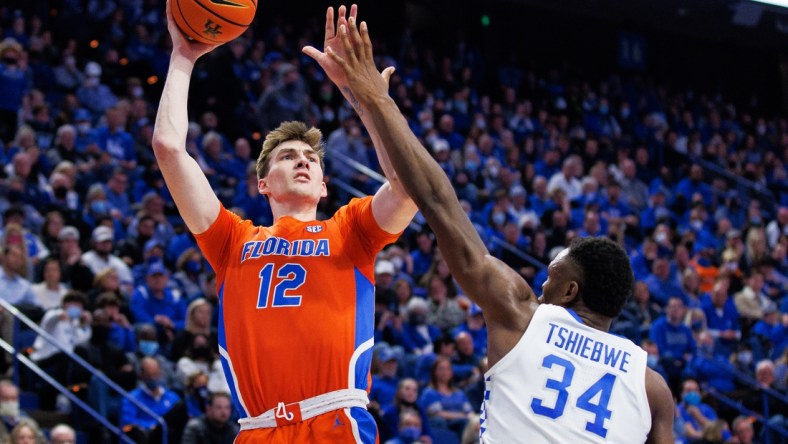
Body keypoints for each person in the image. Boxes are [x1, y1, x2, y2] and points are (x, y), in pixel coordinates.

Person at [309, 15, 674, 443]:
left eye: (551, 276)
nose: (541, 286)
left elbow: (436, 200)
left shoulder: (522, 316)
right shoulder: (652, 389)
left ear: (571, 291)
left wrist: (373, 99)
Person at [151, 3, 416, 442]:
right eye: (288, 156)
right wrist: (183, 55)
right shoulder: (231, 240)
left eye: (311, 158)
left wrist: (369, 103)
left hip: (335, 422)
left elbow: (407, 186)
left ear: (325, 185)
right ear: (262, 184)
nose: (303, 162)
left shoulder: (349, 230)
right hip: (257, 430)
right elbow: (168, 147)